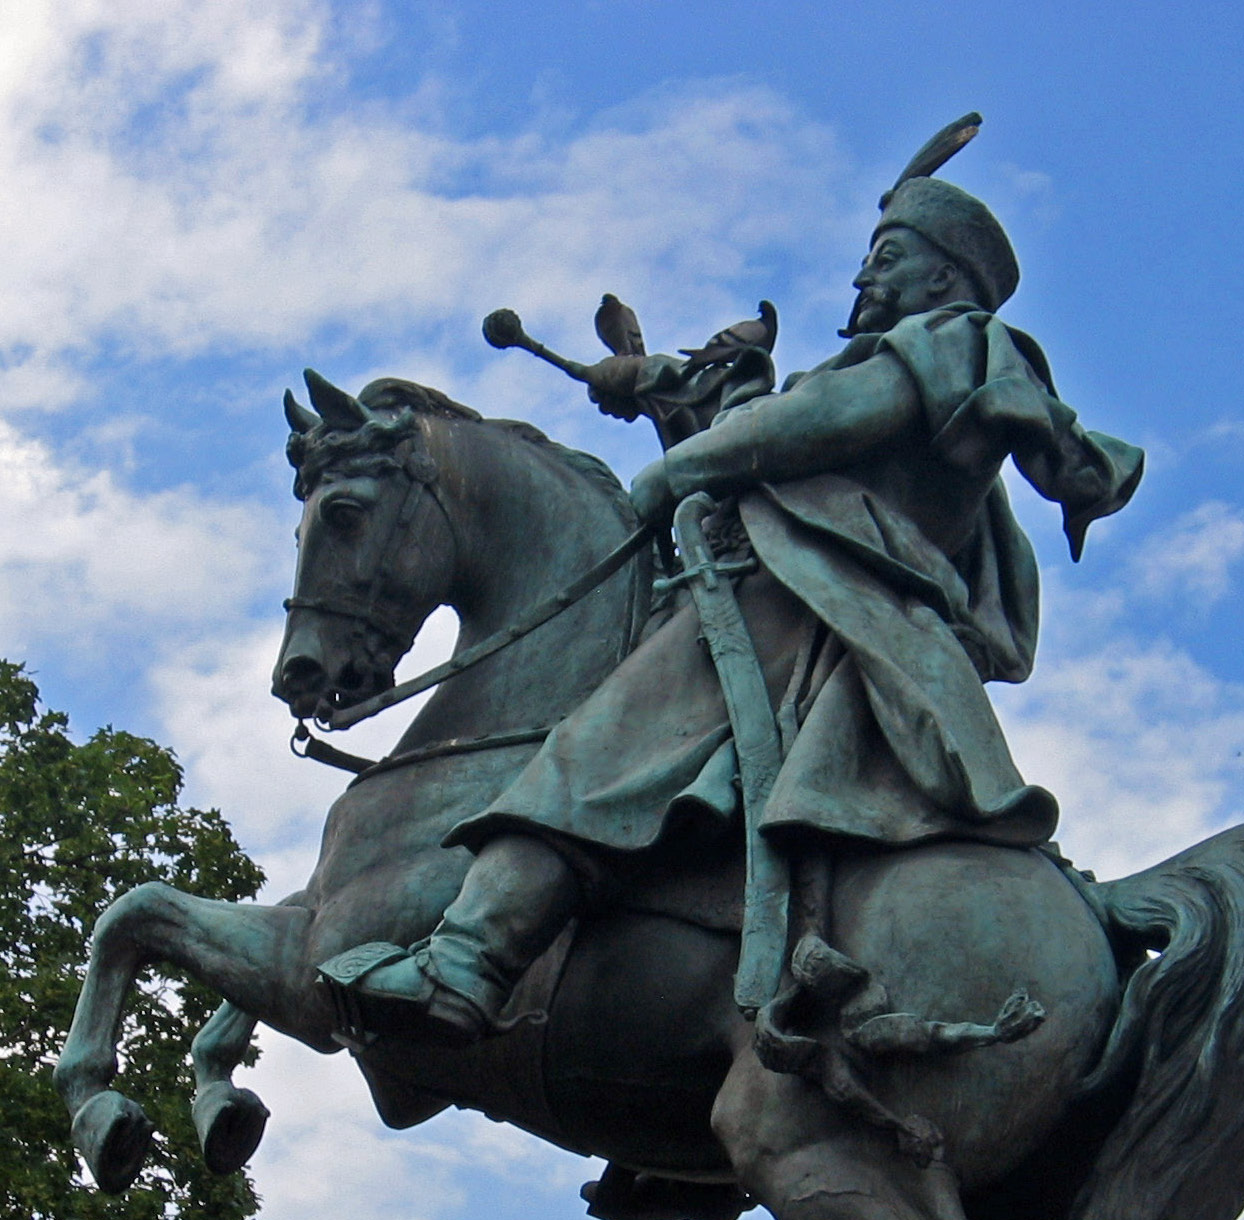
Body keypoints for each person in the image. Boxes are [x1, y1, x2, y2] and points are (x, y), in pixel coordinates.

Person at [319, 167, 1143, 1046]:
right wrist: (658, 383)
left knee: (599, 749)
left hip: (800, 615)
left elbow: (813, 423)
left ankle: (467, 960)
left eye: (888, 258)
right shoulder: (921, 363)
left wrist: (678, 468)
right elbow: (765, 421)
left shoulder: (954, 343)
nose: (864, 279)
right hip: (818, 615)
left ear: (944, 279)